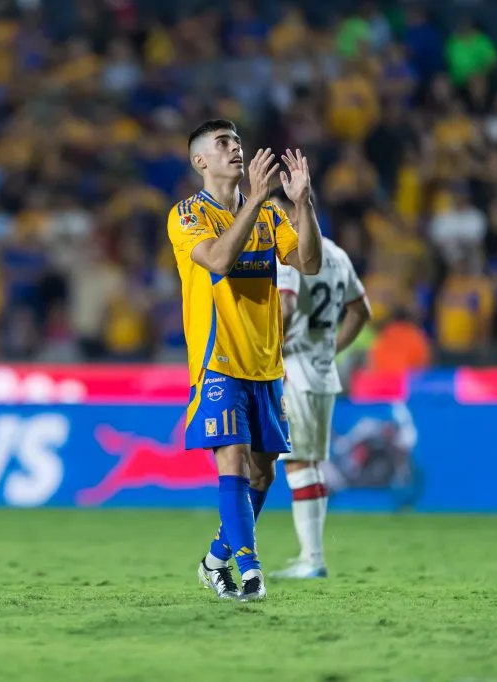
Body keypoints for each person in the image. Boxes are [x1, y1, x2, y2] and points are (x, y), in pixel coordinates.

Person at [167, 119, 322, 601]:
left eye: (236, 142)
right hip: (218, 359)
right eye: (223, 144)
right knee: (231, 458)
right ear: (201, 162)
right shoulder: (186, 215)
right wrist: (255, 201)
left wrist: (303, 203)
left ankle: (216, 559)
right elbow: (217, 261)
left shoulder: (274, 214)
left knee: (264, 471)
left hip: (266, 362)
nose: (235, 149)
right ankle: (251, 574)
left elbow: (310, 263)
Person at [271, 198, 373, 579]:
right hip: (323, 371)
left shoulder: (291, 255)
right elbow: (361, 311)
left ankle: (311, 558)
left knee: (298, 464)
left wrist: (267, 355)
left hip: (296, 370)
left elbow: (284, 308)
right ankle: (311, 556)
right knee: (307, 463)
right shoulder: (337, 255)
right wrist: (332, 347)